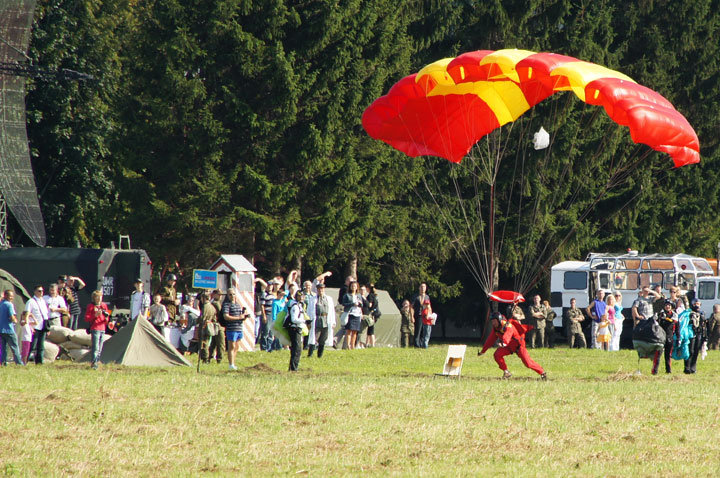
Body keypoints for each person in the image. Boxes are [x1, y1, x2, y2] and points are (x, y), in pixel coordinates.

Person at [479, 312, 546, 380]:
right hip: (509, 347)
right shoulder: (496, 329)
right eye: (492, 321)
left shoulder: (508, 326)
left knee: (528, 363)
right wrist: (483, 351)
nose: (493, 323)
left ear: (499, 320)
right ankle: (506, 372)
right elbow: (490, 340)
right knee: (497, 354)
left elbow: (508, 334)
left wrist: (504, 343)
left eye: (494, 321)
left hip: (519, 346)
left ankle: (542, 372)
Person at [222, 288, 248, 371]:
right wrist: (238, 317)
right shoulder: (226, 304)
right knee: (231, 346)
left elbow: (240, 316)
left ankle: (234, 363)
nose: (232, 296)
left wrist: (244, 316)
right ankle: (231, 364)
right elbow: (226, 316)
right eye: (230, 294)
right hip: (231, 328)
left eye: (233, 294)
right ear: (228, 296)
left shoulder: (238, 305)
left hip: (239, 327)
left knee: (236, 346)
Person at [23, 285, 50, 364]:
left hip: (43, 326)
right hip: (34, 327)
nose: (41, 292)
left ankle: (39, 362)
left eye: (42, 291)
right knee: (32, 346)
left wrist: (47, 328)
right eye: (39, 291)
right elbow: (26, 314)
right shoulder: (31, 301)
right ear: (35, 292)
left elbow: (45, 314)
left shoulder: (43, 301)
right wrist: (29, 326)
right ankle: (25, 361)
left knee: (41, 346)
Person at [85, 290, 110, 369]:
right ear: (94, 298)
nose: (99, 298)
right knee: (95, 347)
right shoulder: (91, 306)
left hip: (102, 328)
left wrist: (106, 319)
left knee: (100, 347)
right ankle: (94, 363)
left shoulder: (104, 306)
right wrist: (95, 315)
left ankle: (97, 360)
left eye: (100, 296)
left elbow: (107, 318)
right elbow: (86, 318)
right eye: (97, 297)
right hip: (95, 328)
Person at [0, 290, 23, 366]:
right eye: (10, 296)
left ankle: (3, 362)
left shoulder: (1, 304)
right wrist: (15, 321)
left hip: (1, 329)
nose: (12, 298)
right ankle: (19, 363)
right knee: (15, 347)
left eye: (12, 296)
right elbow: (11, 316)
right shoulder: (9, 305)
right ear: (6, 296)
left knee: (4, 348)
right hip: (9, 330)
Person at [312, 283, 335, 358]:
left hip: (326, 319)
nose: (320, 290)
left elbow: (332, 311)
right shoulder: (314, 299)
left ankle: (320, 355)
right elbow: (310, 310)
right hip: (317, 319)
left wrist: (333, 321)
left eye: (322, 289)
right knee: (314, 337)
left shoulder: (328, 299)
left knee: (323, 338)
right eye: (319, 289)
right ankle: (310, 353)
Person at [684, 298, 707, 374]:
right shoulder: (689, 313)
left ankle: (693, 368)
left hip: (699, 334)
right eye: (695, 304)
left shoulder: (701, 313)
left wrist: (705, 336)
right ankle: (687, 367)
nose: (697, 305)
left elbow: (704, 325)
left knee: (696, 351)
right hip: (691, 334)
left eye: (698, 304)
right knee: (690, 351)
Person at [656, 300, 678, 374]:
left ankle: (668, 371)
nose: (667, 306)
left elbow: (677, 327)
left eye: (669, 305)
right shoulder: (660, 314)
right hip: (661, 337)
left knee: (668, 355)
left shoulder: (674, 315)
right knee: (658, 354)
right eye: (666, 305)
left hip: (669, 337)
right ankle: (655, 370)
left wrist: (678, 337)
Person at [286, 286, 305, 371]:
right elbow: (294, 319)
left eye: (302, 296)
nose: (301, 298)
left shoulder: (300, 305)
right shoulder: (295, 306)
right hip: (294, 329)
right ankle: (293, 368)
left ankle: (293, 367)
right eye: (299, 296)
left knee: (297, 349)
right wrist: (303, 320)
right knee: (297, 349)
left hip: (298, 329)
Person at [342, 281, 363, 350]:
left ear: (357, 287)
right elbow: (344, 304)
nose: (353, 287)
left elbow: (362, 305)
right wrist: (352, 304)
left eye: (355, 286)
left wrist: (360, 303)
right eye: (352, 286)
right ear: (350, 287)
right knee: (349, 331)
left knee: (355, 331)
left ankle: (353, 346)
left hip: (357, 314)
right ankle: (348, 346)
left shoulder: (359, 295)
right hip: (350, 314)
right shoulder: (347, 295)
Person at [209, 290, 227, 362]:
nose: (220, 296)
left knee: (213, 342)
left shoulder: (212, 302)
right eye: (219, 295)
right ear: (214, 294)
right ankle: (220, 358)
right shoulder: (216, 303)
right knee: (220, 343)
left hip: (214, 324)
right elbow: (220, 313)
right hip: (218, 325)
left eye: (221, 295)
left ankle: (210, 356)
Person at [365, 284, 380, 348]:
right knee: (370, 329)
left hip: (372, 314)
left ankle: (372, 344)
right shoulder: (375, 295)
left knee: (371, 330)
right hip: (376, 313)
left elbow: (370, 305)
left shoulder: (370, 296)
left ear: (368, 288)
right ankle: (367, 343)